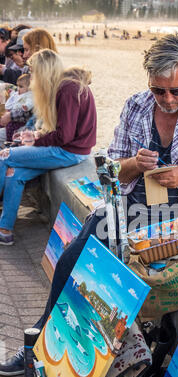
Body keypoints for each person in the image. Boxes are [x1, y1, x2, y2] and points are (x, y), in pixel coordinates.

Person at [0, 31, 178, 376]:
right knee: (75, 256)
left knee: (171, 309)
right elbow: (113, 173)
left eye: (177, 90)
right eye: (158, 90)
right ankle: (43, 345)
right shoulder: (137, 105)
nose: (167, 99)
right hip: (130, 213)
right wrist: (135, 162)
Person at [0, 49, 96, 246]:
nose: (32, 78)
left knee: (5, 155)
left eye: (34, 72)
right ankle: (5, 230)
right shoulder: (66, 86)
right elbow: (63, 131)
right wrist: (35, 135)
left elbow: (65, 136)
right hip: (71, 150)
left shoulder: (68, 89)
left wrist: (35, 141)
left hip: (69, 152)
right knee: (14, 173)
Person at [0, 73, 33, 146]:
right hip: (12, 117)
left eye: (21, 86)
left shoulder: (30, 95)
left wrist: (26, 106)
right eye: (18, 86)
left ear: (30, 87)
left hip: (19, 123)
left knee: (10, 131)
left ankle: (9, 144)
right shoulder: (18, 93)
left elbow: (30, 102)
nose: (18, 88)